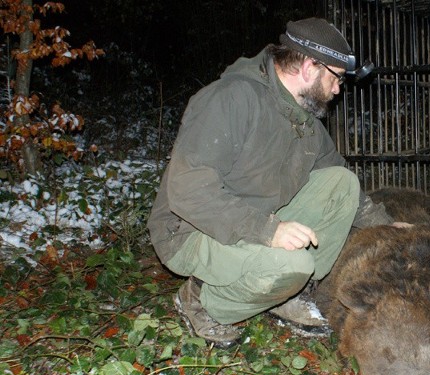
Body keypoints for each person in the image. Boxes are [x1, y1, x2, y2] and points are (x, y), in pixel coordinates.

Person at [147, 17, 408, 348]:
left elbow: (344, 187)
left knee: (341, 183)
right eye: (336, 78)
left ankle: (284, 294)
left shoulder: (302, 117)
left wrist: (387, 226)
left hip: (256, 216)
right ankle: (201, 300)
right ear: (310, 66)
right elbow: (189, 192)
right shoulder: (230, 99)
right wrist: (269, 231)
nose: (338, 89)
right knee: (294, 263)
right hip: (191, 230)